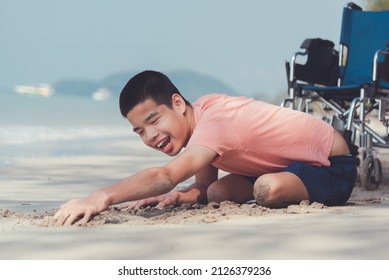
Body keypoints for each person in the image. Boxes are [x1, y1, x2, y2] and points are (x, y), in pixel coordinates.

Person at [53, 70, 357, 225]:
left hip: (331, 165)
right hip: (281, 165)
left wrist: (100, 196)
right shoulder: (200, 120)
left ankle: (289, 185)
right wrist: (175, 195)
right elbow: (202, 186)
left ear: (176, 103)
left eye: (153, 120)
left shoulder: (215, 123)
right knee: (217, 193)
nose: (150, 136)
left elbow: (166, 173)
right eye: (139, 131)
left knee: (267, 189)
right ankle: (284, 181)